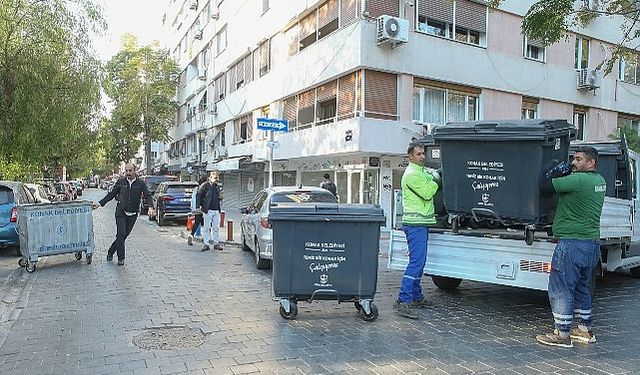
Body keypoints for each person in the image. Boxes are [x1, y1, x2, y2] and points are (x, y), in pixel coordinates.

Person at [536, 146, 606, 347]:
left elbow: (545, 187)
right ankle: (584, 330)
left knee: (561, 288)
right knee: (582, 287)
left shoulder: (577, 180)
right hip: (591, 244)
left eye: (578, 159)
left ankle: (562, 334)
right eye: (573, 159)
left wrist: (554, 168)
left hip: (572, 244)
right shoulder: (600, 181)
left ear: (591, 163)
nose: (574, 163)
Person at [394, 142, 439, 319]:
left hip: (421, 224)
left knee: (419, 262)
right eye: (418, 154)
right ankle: (403, 300)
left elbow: (430, 177)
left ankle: (416, 296)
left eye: (423, 154)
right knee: (416, 263)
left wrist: (433, 176)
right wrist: (435, 180)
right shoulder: (412, 175)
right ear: (410, 157)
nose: (422, 157)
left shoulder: (421, 171)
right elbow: (428, 193)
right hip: (415, 224)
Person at [91, 163, 154, 266]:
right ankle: (121, 258)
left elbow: (148, 195)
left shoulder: (140, 183)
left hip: (133, 214)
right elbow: (111, 194)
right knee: (120, 234)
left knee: (124, 236)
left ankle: (111, 251)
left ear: (135, 171)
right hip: (121, 212)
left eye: (130, 171)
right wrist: (99, 203)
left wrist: (151, 207)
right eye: (126, 171)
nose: (128, 173)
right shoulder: (121, 182)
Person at [197, 171, 223, 251]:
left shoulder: (216, 186)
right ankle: (206, 244)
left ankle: (216, 243)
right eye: (215, 178)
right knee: (207, 228)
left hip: (216, 210)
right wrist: (199, 206)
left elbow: (219, 196)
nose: (216, 180)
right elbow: (199, 195)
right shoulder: (205, 185)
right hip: (208, 210)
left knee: (216, 227)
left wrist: (220, 197)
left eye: (217, 179)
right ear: (210, 177)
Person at [187, 176, 208, 246]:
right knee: (207, 224)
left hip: (196, 209)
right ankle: (206, 240)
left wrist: (193, 208)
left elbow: (192, 198)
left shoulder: (195, 189)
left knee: (196, 223)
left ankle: (191, 235)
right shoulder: (204, 189)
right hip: (204, 209)